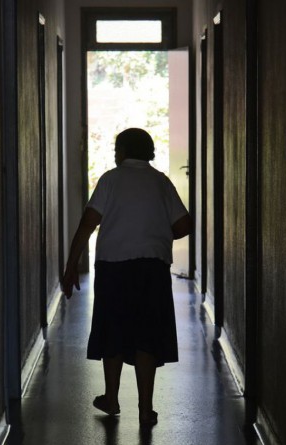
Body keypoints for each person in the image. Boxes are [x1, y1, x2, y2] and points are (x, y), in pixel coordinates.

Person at [61, 128, 192, 427]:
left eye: (116, 149)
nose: (115, 154)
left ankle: (111, 398)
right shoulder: (160, 181)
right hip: (152, 267)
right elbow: (184, 223)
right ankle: (146, 409)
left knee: (114, 331)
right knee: (147, 336)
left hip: (114, 267)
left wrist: (71, 265)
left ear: (122, 151)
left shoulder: (110, 179)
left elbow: (88, 223)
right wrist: (159, 234)